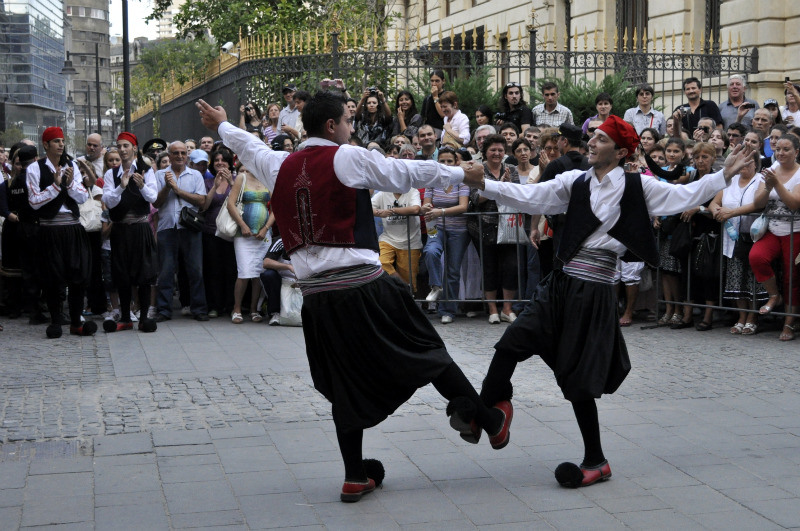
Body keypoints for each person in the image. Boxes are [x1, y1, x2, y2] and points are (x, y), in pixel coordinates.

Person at [197, 91, 509, 503]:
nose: (351, 127)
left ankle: (353, 476)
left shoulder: (280, 164)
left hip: (319, 298)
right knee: (426, 350)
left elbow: (249, 146)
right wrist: (460, 176)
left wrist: (222, 123)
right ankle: (488, 420)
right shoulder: (346, 156)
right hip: (364, 285)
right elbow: (403, 171)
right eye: (347, 120)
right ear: (331, 126)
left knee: (344, 381)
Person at [460, 115, 755, 489]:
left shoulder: (638, 187)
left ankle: (596, 461)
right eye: (592, 137)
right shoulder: (575, 181)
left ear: (619, 151)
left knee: (577, 378)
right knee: (510, 343)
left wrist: (722, 176)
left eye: (600, 139)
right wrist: (485, 184)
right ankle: (491, 416)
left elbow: (684, 196)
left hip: (595, 291)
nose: (592, 143)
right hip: (560, 283)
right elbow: (532, 196)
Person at [27, 127, 96, 338]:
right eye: (56, 141)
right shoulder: (35, 169)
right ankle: (56, 321)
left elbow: (83, 197)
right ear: (46, 145)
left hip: (72, 228)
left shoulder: (71, 165)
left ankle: (76, 322)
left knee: (78, 275)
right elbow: (34, 202)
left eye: (62, 141)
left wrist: (68, 182)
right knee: (53, 277)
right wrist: (56, 187)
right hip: (50, 229)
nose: (61, 144)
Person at [101, 132, 159, 333]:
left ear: (135, 148)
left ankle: (143, 317)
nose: (122, 150)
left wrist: (141, 186)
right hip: (120, 228)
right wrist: (121, 188)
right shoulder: (112, 174)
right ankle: (125, 316)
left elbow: (153, 197)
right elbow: (108, 201)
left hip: (141, 227)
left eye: (126, 146)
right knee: (122, 274)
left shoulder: (146, 170)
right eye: (119, 146)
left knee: (143, 274)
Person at [750, 134, 800, 341]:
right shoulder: (770, 172)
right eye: (778, 149)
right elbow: (759, 202)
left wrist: (776, 183)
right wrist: (768, 185)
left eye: (786, 149)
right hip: (772, 229)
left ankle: (789, 322)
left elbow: (794, 204)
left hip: (795, 230)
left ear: (796, 152)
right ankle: (774, 294)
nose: (780, 153)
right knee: (756, 257)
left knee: (792, 277)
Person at [152, 141, 209, 322]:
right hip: (167, 228)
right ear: (169, 155)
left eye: (183, 153)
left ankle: (199, 309)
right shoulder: (160, 175)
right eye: (176, 153)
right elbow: (155, 203)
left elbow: (201, 200)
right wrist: (167, 188)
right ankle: (164, 310)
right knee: (166, 272)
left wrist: (177, 190)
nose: (180, 156)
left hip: (189, 228)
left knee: (196, 270)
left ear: (187, 155)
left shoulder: (195, 175)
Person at [709, 154, 766, 335]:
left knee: (752, 279)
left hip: (753, 237)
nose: (744, 165)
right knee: (736, 279)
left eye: (749, 162)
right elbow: (713, 203)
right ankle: (742, 316)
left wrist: (731, 212)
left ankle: (753, 317)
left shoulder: (760, 180)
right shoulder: (730, 181)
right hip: (732, 238)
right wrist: (716, 210)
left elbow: (758, 205)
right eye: (741, 162)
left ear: (756, 165)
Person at [469, 134, 521, 323]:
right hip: (484, 226)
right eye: (493, 150)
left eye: (500, 150)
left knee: (511, 266)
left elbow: (516, 195)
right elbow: (475, 198)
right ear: (485, 151)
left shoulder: (512, 169)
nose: (497, 153)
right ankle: (492, 310)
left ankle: (507, 309)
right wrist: (499, 186)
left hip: (508, 225)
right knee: (489, 267)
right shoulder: (476, 169)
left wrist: (507, 186)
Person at [421, 146, 471, 323]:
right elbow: (427, 203)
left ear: (456, 162)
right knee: (430, 252)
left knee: (452, 270)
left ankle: (447, 311)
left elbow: (463, 207)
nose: (446, 164)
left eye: (449, 161)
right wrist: (427, 207)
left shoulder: (462, 181)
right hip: (437, 228)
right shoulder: (432, 181)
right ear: (437, 162)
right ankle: (436, 286)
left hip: (458, 230)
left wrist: (440, 211)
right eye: (442, 161)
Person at [227, 164, 272, 323]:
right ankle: (237, 308)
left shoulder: (268, 177)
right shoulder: (242, 177)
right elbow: (231, 204)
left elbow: (276, 208)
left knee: (258, 273)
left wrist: (266, 228)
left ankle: (254, 309)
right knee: (244, 271)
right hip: (243, 234)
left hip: (263, 235)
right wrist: (243, 225)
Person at [201, 149, 237, 318]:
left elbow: (239, 203)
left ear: (230, 163)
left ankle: (230, 304)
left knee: (230, 270)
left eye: (224, 160)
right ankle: (214, 305)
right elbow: (204, 206)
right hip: (210, 231)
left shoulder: (238, 180)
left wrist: (231, 183)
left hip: (230, 233)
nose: (220, 163)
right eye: (217, 160)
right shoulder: (207, 182)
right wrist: (214, 187)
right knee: (212, 269)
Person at [371, 186, 422, 289]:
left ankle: (408, 294)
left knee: (409, 277)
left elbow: (416, 209)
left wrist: (392, 210)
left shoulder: (412, 191)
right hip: (388, 239)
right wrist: (379, 212)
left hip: (410, 241)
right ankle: (404, 287)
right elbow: (367, 207)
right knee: (380, 263)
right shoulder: (383, 193)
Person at [260, 236, 295, 325]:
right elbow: (266, 262)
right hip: (282, 280)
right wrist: (288, 267)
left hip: (302, 279)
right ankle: (275, 312)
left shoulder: (310, 242)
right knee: (268, 275)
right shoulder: (281, 240)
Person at [420, 70, 446, 136]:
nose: (434, 84)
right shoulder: (428, 98)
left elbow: (443, 114)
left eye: (437, 81)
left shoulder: (446, 96)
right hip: (428, 131)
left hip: (441, 131)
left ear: (443, 81)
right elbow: (423, 116)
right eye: (432, 81)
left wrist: (435, 97)